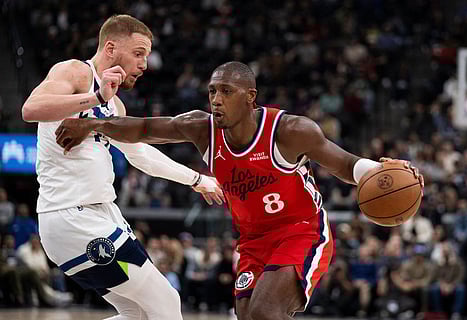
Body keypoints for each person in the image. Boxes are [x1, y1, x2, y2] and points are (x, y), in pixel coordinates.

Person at [55, 61, 423, 319]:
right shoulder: (202, 128)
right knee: (248, 315)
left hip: (301, 230)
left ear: (250, 97)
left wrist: (378, 170)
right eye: (212, 91)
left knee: (265, 311)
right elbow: (144, 129)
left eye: (226, 91)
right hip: (252, 239)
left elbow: (344, 164)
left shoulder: (291, 130)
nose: (215, 99)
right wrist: (92, 125)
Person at [22, 14, 224, 320]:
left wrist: (195, 178)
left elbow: (139, 154)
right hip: (73, 217)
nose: (144, 64)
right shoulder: (76, 72)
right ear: (111, 48)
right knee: (167, 303)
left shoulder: (115, 107)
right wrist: (96, 97)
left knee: (138, 314)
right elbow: (30, 109)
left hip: (101, 216)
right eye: (138, 53)